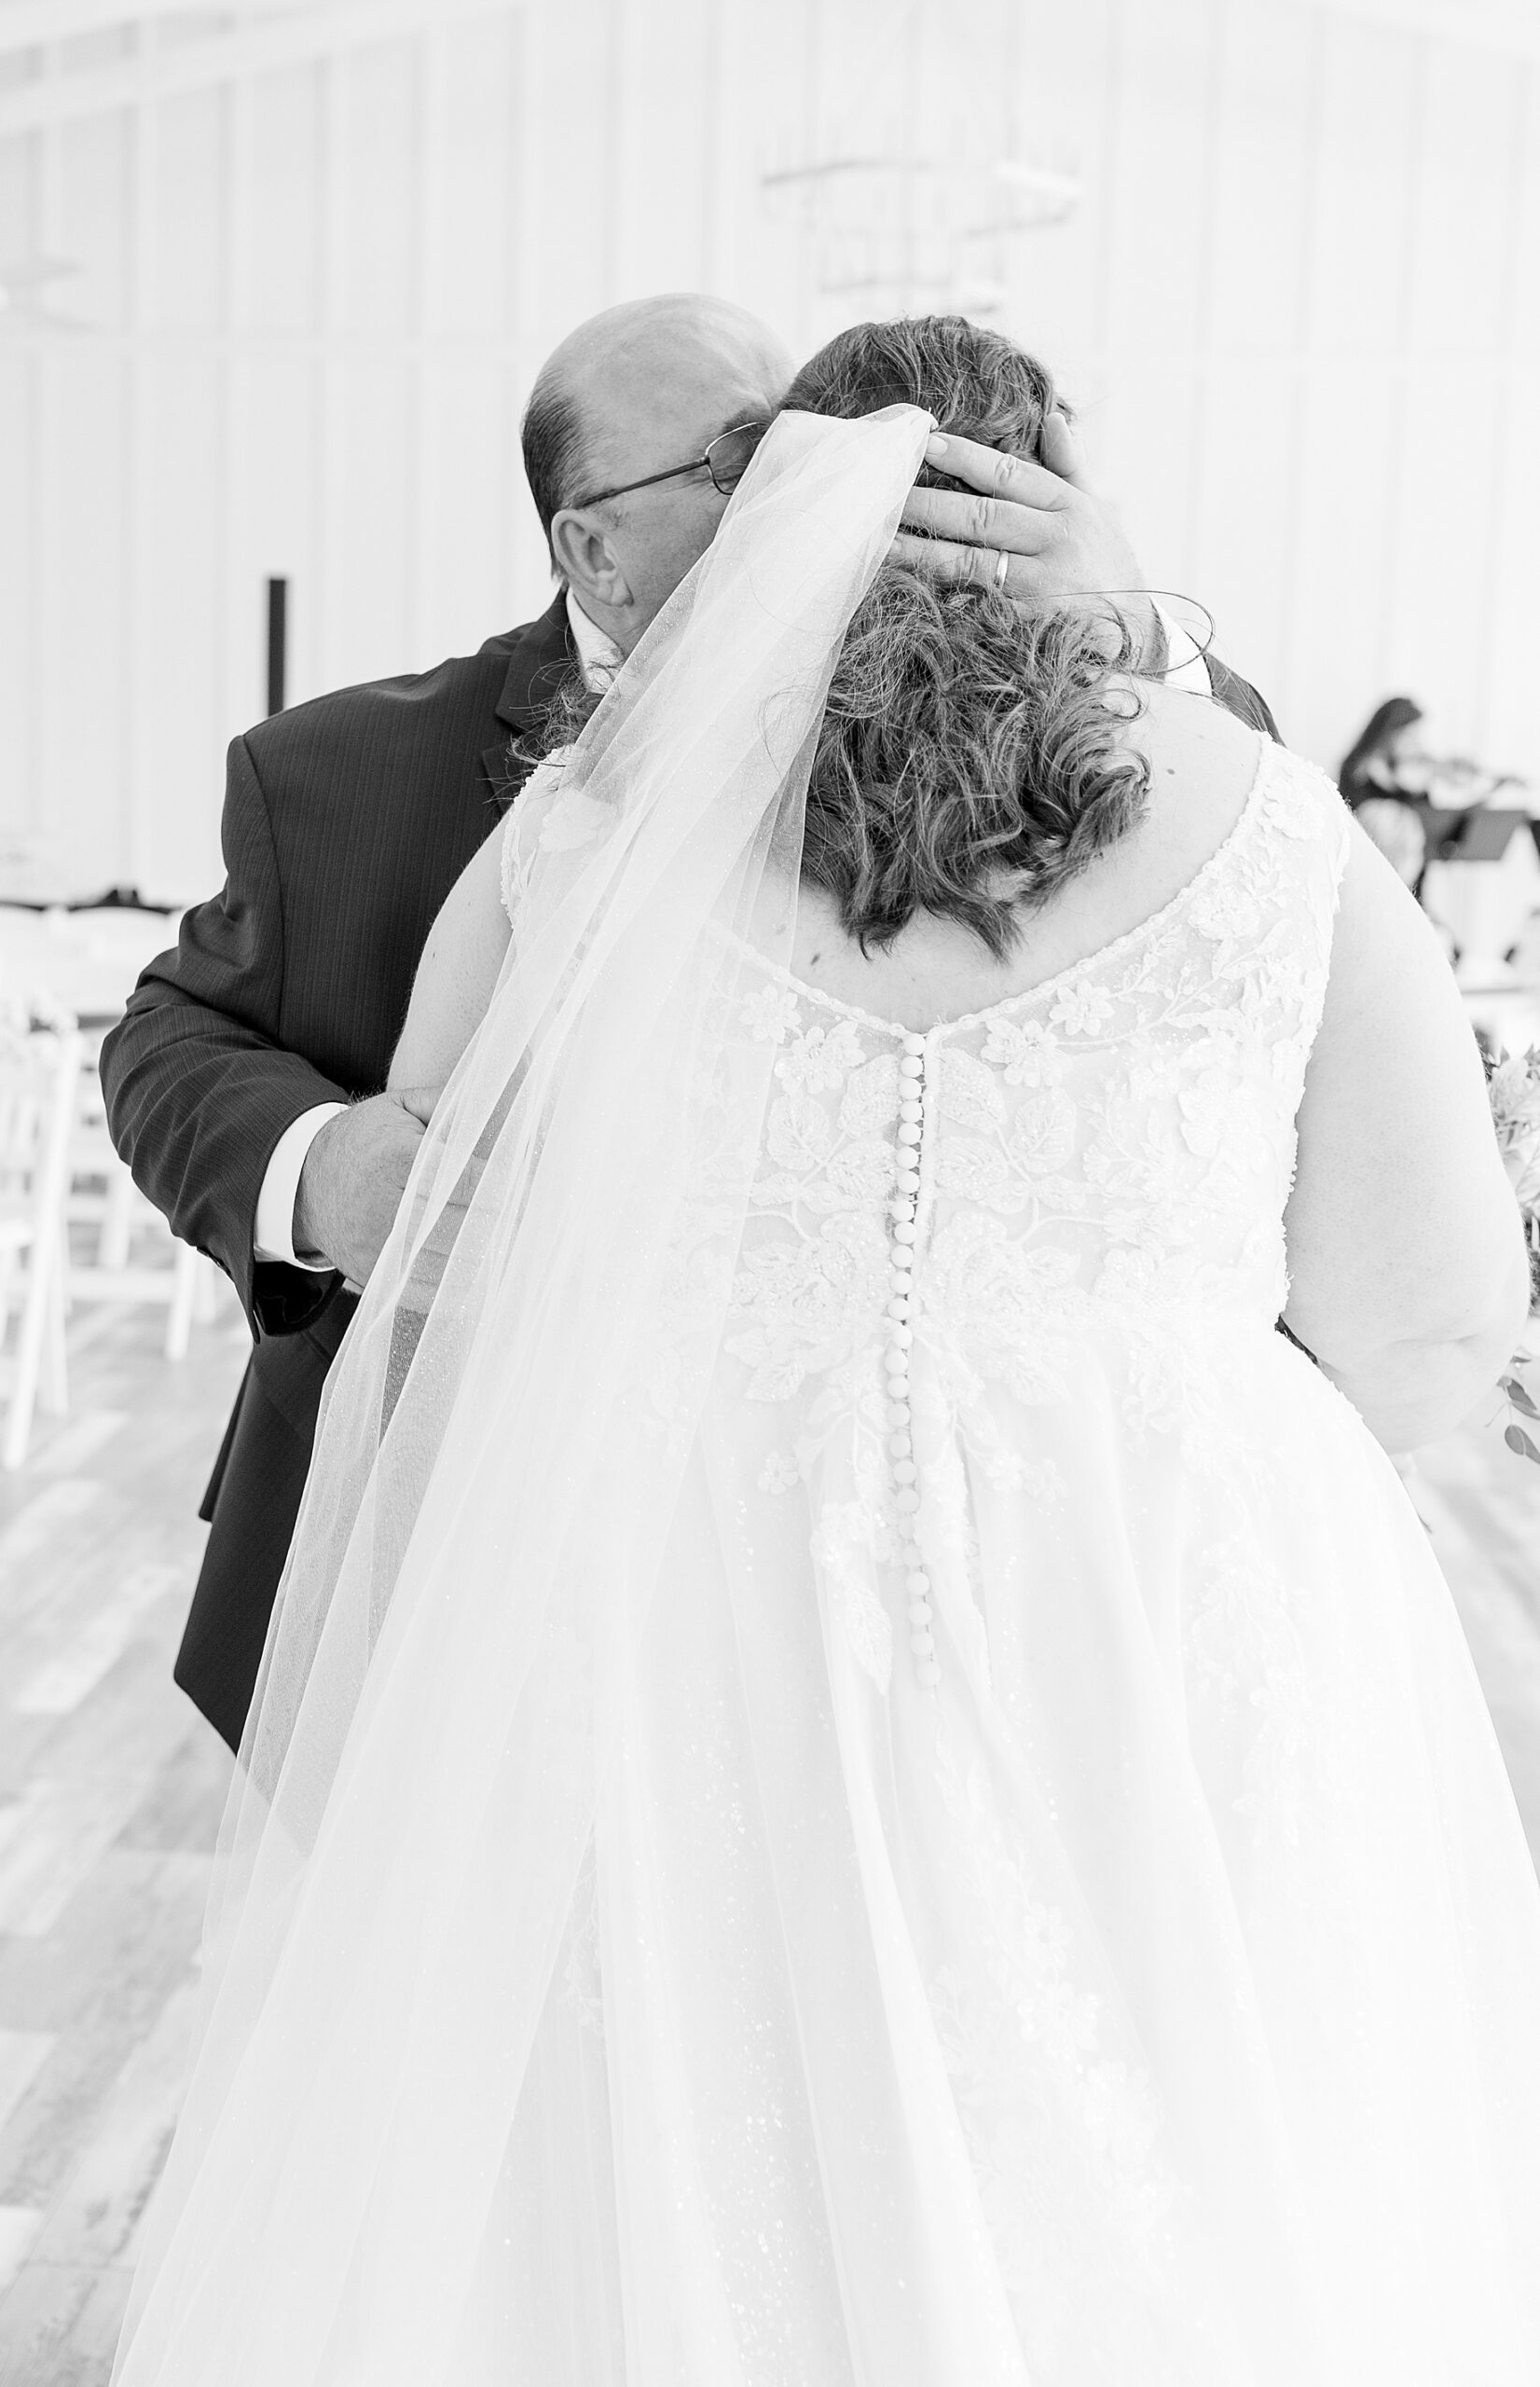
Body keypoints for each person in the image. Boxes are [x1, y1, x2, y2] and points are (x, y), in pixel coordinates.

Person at [112, 318, 1539, 2383]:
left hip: (685, 1566)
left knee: (675, 2152)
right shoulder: (1283, 833)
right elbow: (1422, 1341)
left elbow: (465, 1219)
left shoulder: (585, 839)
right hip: (1140, 1594)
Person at [101, 291, 1276, 1755]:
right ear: (591, 546)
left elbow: (1245, 886)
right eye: (745, 459)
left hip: (832, 1610)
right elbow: (168, 1032)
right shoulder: (341, 772)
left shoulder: (1017, 741)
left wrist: (1139, 632)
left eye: (820, 440)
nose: (821, 486)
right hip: (416, 1587)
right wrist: (328, 1171)